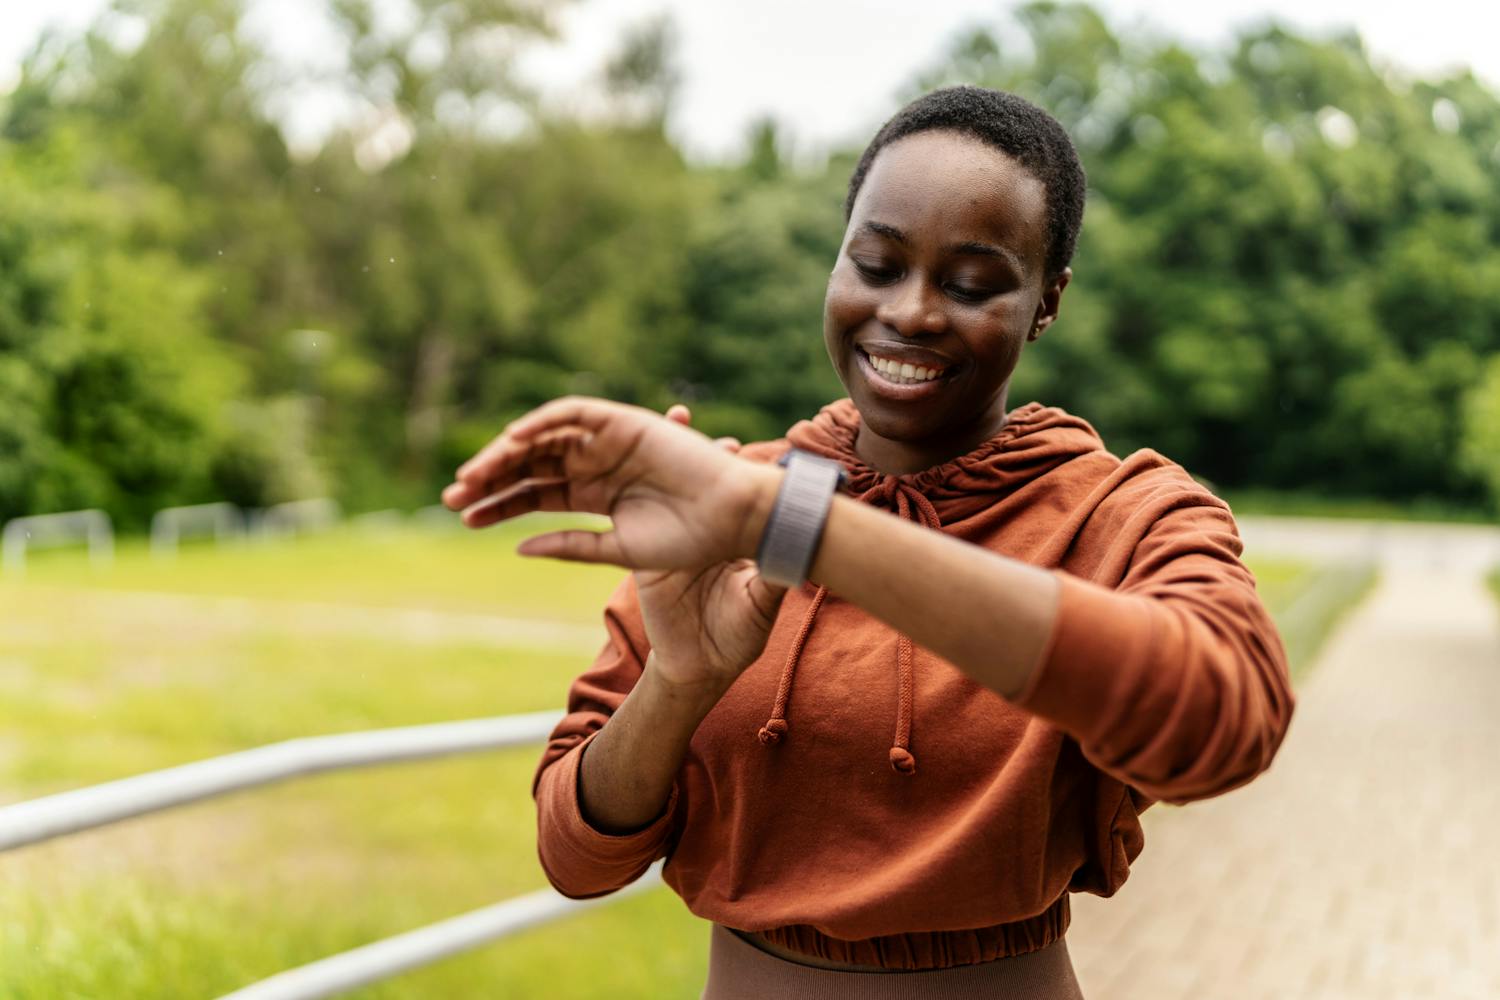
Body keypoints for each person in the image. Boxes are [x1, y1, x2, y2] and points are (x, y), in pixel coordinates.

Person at [443, 86, 1294, 999]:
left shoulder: (1125, 513)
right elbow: (576, 856)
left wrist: (807, 530)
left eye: (971, 285)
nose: (913, 312)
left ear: (1046, 302)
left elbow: (1227, 720)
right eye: (877, 264)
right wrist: (681, 678)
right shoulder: (732, 507)